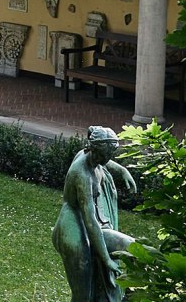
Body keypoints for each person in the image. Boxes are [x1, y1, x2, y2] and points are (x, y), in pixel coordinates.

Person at [53, 126, 137, 302]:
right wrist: (106, 259)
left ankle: (131, 291)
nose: (106, 161)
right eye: (104, 156)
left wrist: (122, 170)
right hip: (73, 227)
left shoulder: (92, 156)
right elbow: (90, 221)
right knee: (83, 294)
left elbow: (105, 162)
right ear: (94, 150)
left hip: (93, 223)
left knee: (133, 247)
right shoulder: (81, 173)